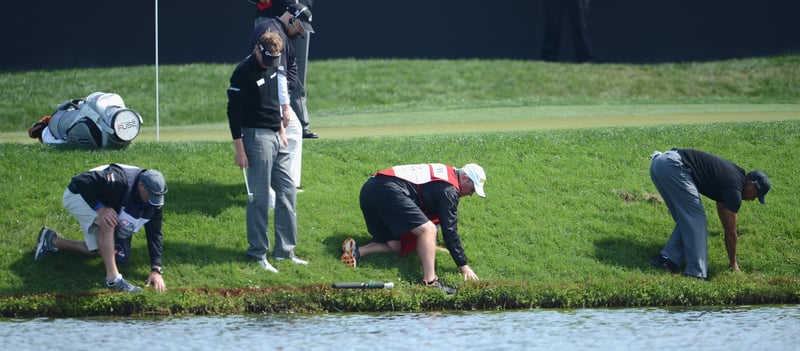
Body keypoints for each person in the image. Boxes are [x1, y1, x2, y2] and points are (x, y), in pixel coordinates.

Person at [228, 30, 307, 273]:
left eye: (275, 59)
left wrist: (281, 131)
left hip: (276, 133)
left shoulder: (274, 64)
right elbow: (233, 113)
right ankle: (258, 254)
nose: (270, 64)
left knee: (287, 190)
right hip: (255, 135)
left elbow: (275, 99)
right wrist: (239, 150)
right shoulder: (243, 72)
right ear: (256, 50)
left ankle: (285, 252)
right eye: (267, 59)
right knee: (260, 198)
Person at [340, 163, 487, 293]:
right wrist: (464, 266)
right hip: (388, 190)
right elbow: (450, 230)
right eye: (473, 188)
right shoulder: (449, 190)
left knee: (396, 246)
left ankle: (355, 252)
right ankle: (430, 282)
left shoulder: (446, 174)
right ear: (465, 178)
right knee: (428, 230)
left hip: (370, 189)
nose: (471, 194)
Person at [33, 164, 168, 293]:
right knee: (109, 220)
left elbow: (154, 234)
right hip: (77, 195)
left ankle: (52, 240)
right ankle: (113, 280)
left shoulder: (154, 202)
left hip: (101, 200)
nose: (153, 201)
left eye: (157, 197)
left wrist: (156, 270)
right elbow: (79, 181)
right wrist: (101, 208)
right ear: (140, 185)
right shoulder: (118, 179)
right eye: (151, 195)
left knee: (102, 250)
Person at [648, 148, 771, 279]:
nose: (753, 199)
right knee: (696, 219)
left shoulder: (735, 177)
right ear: (751, 184)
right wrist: (733, 263)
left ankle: (666, 259)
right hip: (674, 166)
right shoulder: (735, 190)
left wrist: (728, 229)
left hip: (660, 164)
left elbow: (723, 210)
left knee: (686, 219)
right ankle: (695, 274)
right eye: (756, 194)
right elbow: (731, 231)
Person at [249, 0, 318, 139]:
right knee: (264, 72)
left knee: (297, 73)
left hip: (301, 14)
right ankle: (261, 121)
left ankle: (299, 124)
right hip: (270, 14)